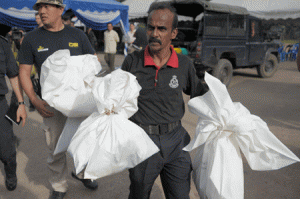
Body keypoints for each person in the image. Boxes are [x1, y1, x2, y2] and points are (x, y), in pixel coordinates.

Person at [121, 2, 208, 199]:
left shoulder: (184, 64)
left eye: (162, 28)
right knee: (139, 194)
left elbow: (200, 95)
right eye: (151, 27)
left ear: (173, 33)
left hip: (176, 141)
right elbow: (116, 100)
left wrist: (211, 86)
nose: (154, 33)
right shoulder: (132, 62)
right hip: (143, 141)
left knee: (179, 195)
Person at [18, 0, 98, 198]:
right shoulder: (31, 38)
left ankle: (84, 174)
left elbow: (93, 64)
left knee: (85, 142)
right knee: (55, 148)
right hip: (51, 106)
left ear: (60, 10)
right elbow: (24, 72)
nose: (42, 11)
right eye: (39, 8)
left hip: (81, 103)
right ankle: (59, 186)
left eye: (47, 7)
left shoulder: (78, 35)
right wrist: (34, 100)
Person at [0, 35, 27, 191]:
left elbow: (13, 74)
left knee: (6, 149)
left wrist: (21, 103)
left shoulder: (2, 43)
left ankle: (10, 173)